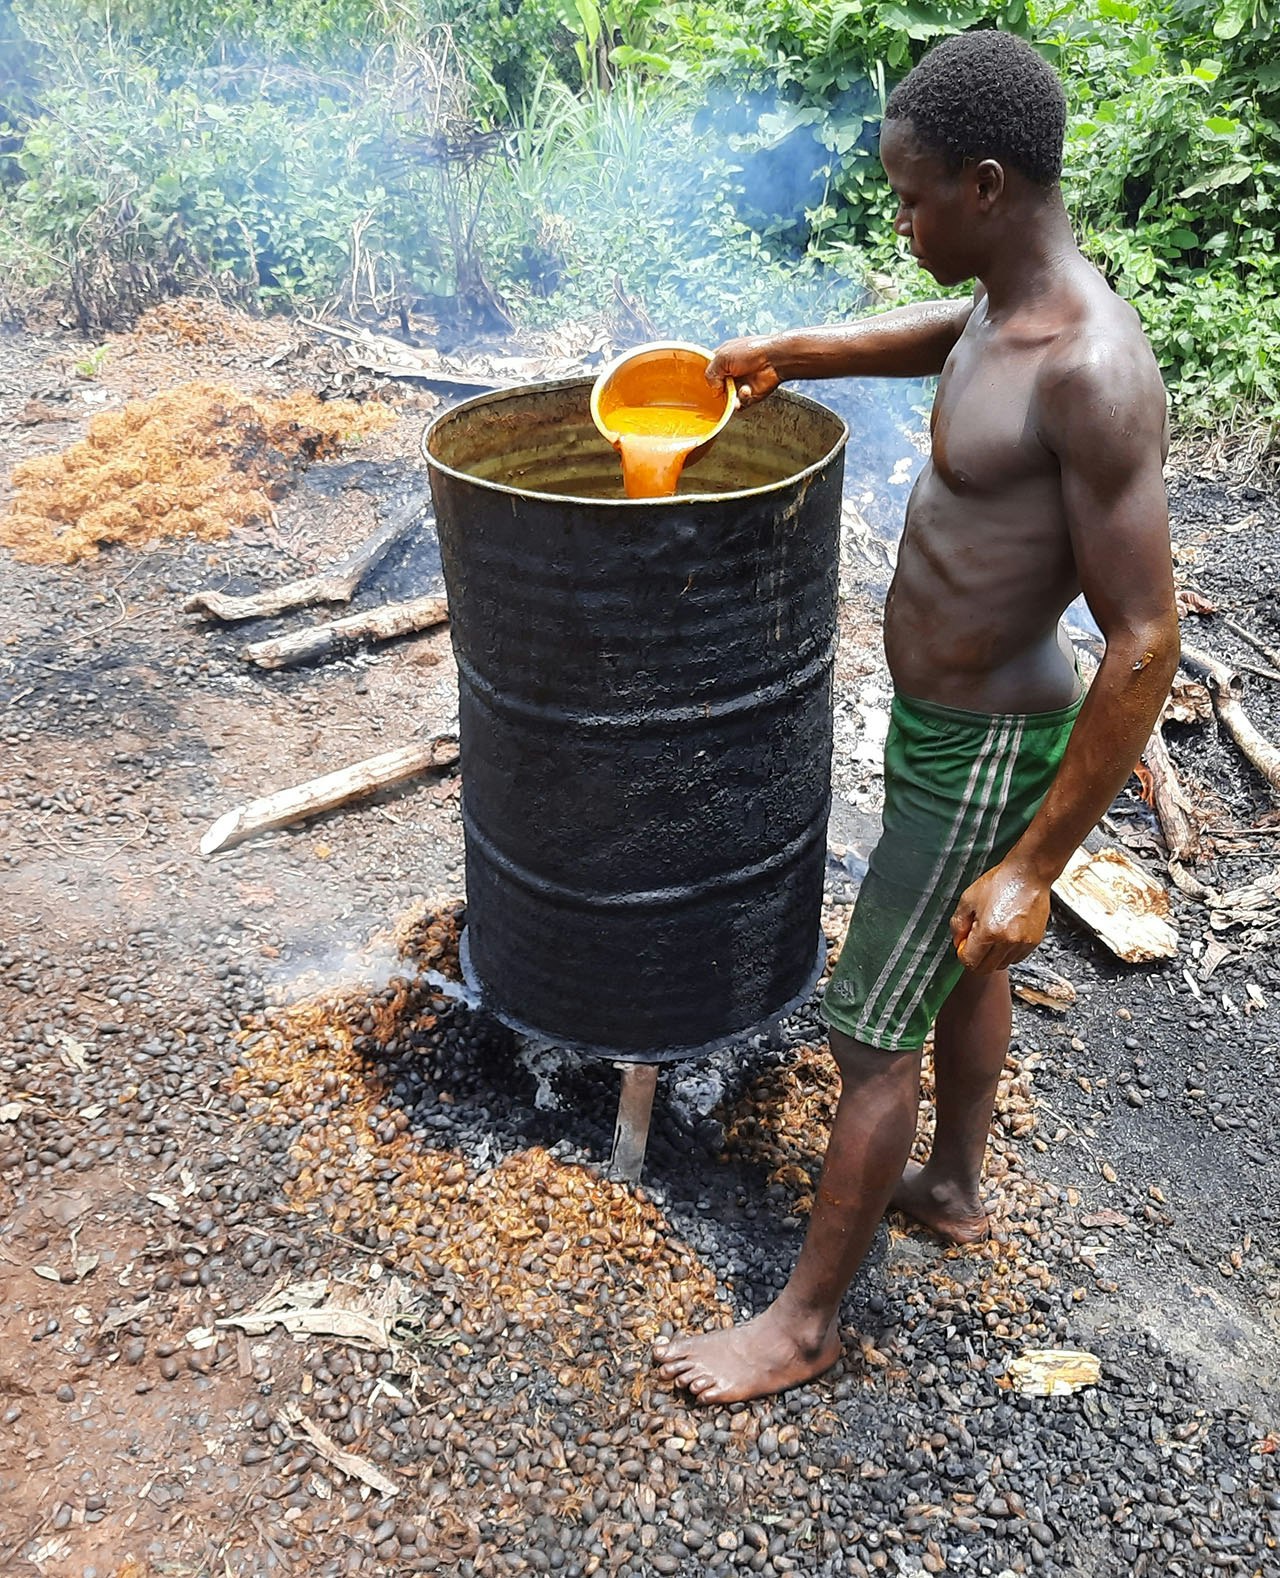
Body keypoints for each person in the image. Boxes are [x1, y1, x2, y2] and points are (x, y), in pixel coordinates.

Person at [653, 29, 1179, 1405]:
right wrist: (795, 348)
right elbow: (937, 337)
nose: (900, 219)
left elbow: (1146, 638)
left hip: (995, 744)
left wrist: (1033, 864)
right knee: (968, 964)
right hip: (948, 724)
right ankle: (950, 1184)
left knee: (871, 1026)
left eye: (913, 197)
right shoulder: (1001, 310)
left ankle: (805, 1322)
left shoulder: (1090, 365)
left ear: (989, 185)